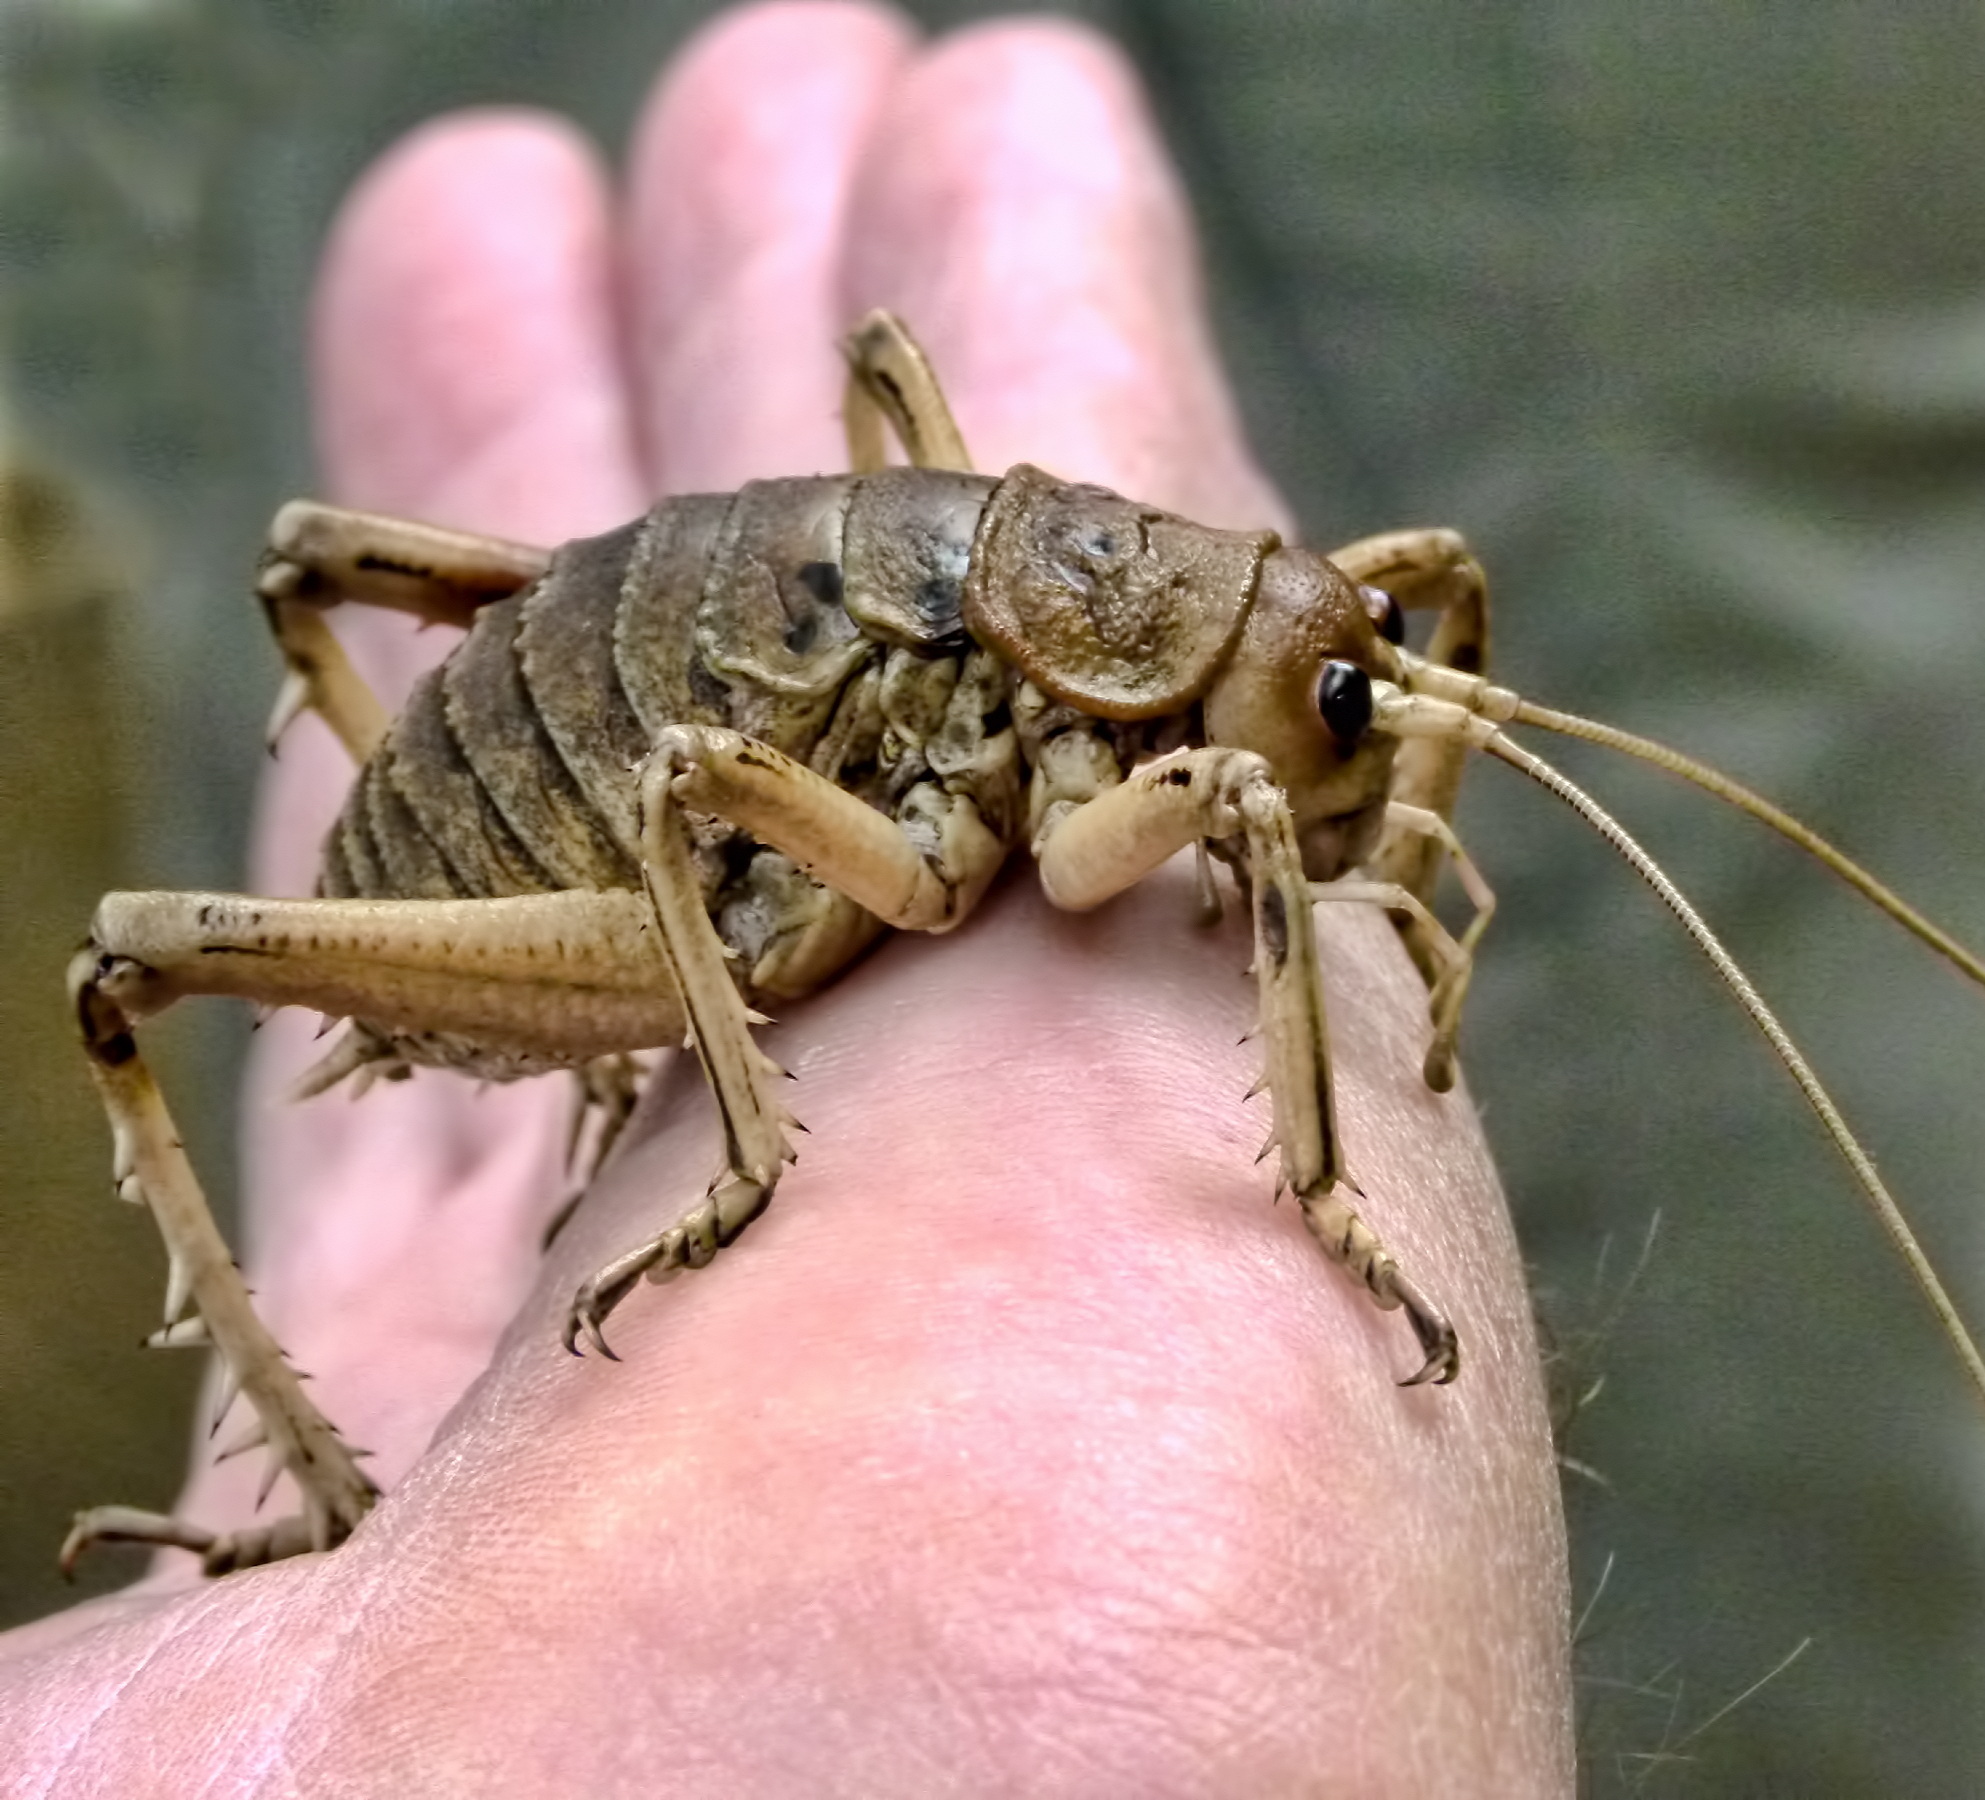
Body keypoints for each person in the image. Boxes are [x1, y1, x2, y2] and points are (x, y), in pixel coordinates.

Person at [0, 11, 1572, 1791]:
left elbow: (1421, 596)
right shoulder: (1149, 776)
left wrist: (1385, 832)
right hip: (614, 834)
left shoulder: (1113, 680)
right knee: (144, 960)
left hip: (744, 657)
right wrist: (741, 1159)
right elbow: (695, 788)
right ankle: (328, 1491)